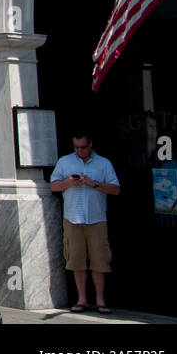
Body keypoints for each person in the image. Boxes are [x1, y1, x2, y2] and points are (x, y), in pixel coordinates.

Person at [50, 131, 121, 313]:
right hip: (73, 218)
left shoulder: (103, 163)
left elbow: (115, 189)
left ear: (91, 144)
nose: (80, 151)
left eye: (83, 147)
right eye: (76, 147)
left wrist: (94, 184)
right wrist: (68, 183)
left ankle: (100, 300)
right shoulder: (65, 161)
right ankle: (81, 299)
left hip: (96, 218)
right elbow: (53, 185)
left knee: (100, 260)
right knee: (76, 260)